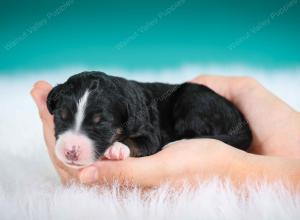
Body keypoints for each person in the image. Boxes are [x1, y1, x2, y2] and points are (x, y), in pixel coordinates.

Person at [31, 75, 300, 190]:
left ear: (125, 116)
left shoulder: (132, 109)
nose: (72, 144)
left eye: (98, 123)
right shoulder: (117, 105)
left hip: (195, 107)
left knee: (191, 100)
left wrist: (130, 147)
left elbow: (149, 141)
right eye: (64, 120)